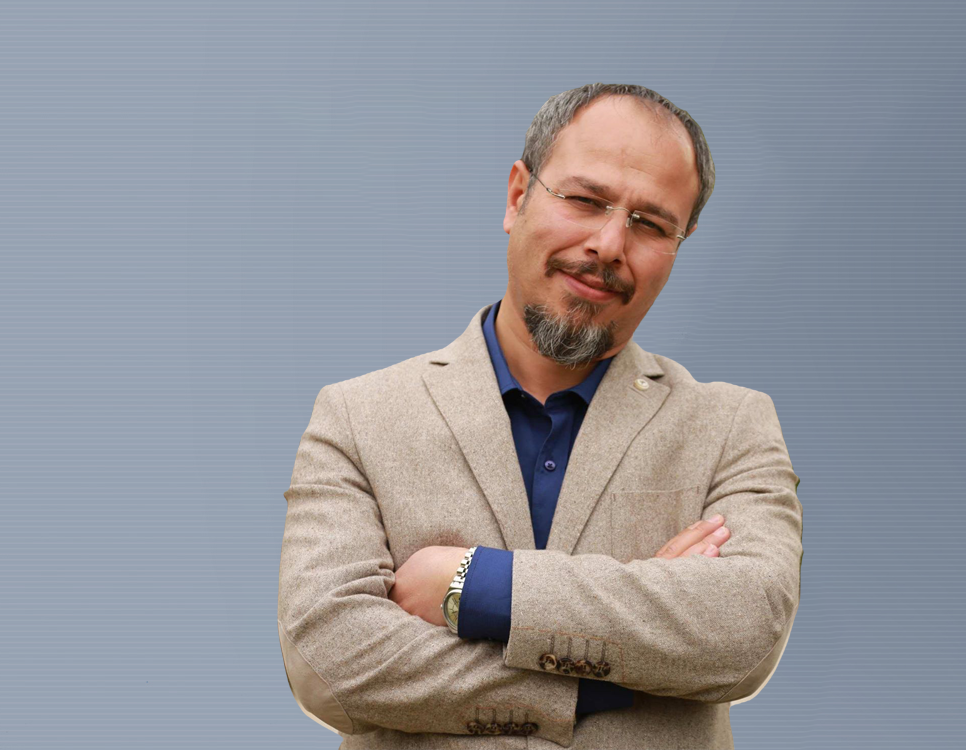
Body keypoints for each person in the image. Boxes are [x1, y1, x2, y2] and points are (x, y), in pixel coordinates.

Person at [276, 83, 802, 749]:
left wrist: (475, 585)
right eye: (585, 200)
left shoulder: (733, 427)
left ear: (681, 242)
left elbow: (744, 635)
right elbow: (328, 661)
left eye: (650, 223)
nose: (609, 243)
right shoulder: (357, 416)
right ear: (518, 194)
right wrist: (616, 670)